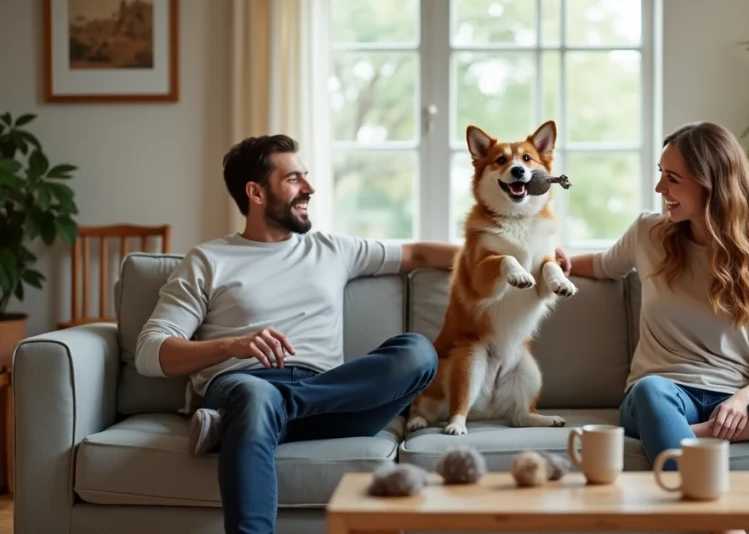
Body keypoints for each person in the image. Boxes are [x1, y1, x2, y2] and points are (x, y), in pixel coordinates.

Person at [135, 134, 568, 534]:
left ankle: (241, 424)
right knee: (255, 396)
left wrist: (528, 256)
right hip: (247, 384)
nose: (309, 187)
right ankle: (253, 416)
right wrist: (232, 345)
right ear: (256, 192)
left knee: (417, 352)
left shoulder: (332, 249)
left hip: (336, 400)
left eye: (306, 176)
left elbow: (418, 252)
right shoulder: (209, 260)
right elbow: (150, 352)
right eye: (293, 178)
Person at [568, 121, 749, 467]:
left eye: (672, 178)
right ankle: (718, 516)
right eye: (661, 174)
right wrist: (550, 260)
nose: (660, 187)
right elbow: (602, 265)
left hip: (736, 403)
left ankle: (684, 434)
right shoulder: (648, 234)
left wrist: (741, 402)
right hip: (663, 396)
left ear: (710, 184)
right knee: (650, 391)